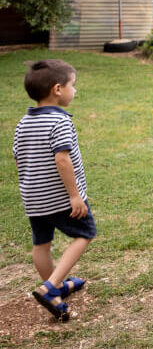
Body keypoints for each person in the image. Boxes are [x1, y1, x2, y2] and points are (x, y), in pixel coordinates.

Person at [13, 60, 96, 322]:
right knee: (84, 234)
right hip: (60, 197)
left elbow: (19, 157)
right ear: (57, 89)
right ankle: (50, 288)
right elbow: (62, 159)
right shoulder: (60, 122)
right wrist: (74, 195)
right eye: (74, 85)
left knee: (41, 244)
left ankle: (56, 289)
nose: (76, 91)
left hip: (34, 199)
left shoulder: (23, 123)